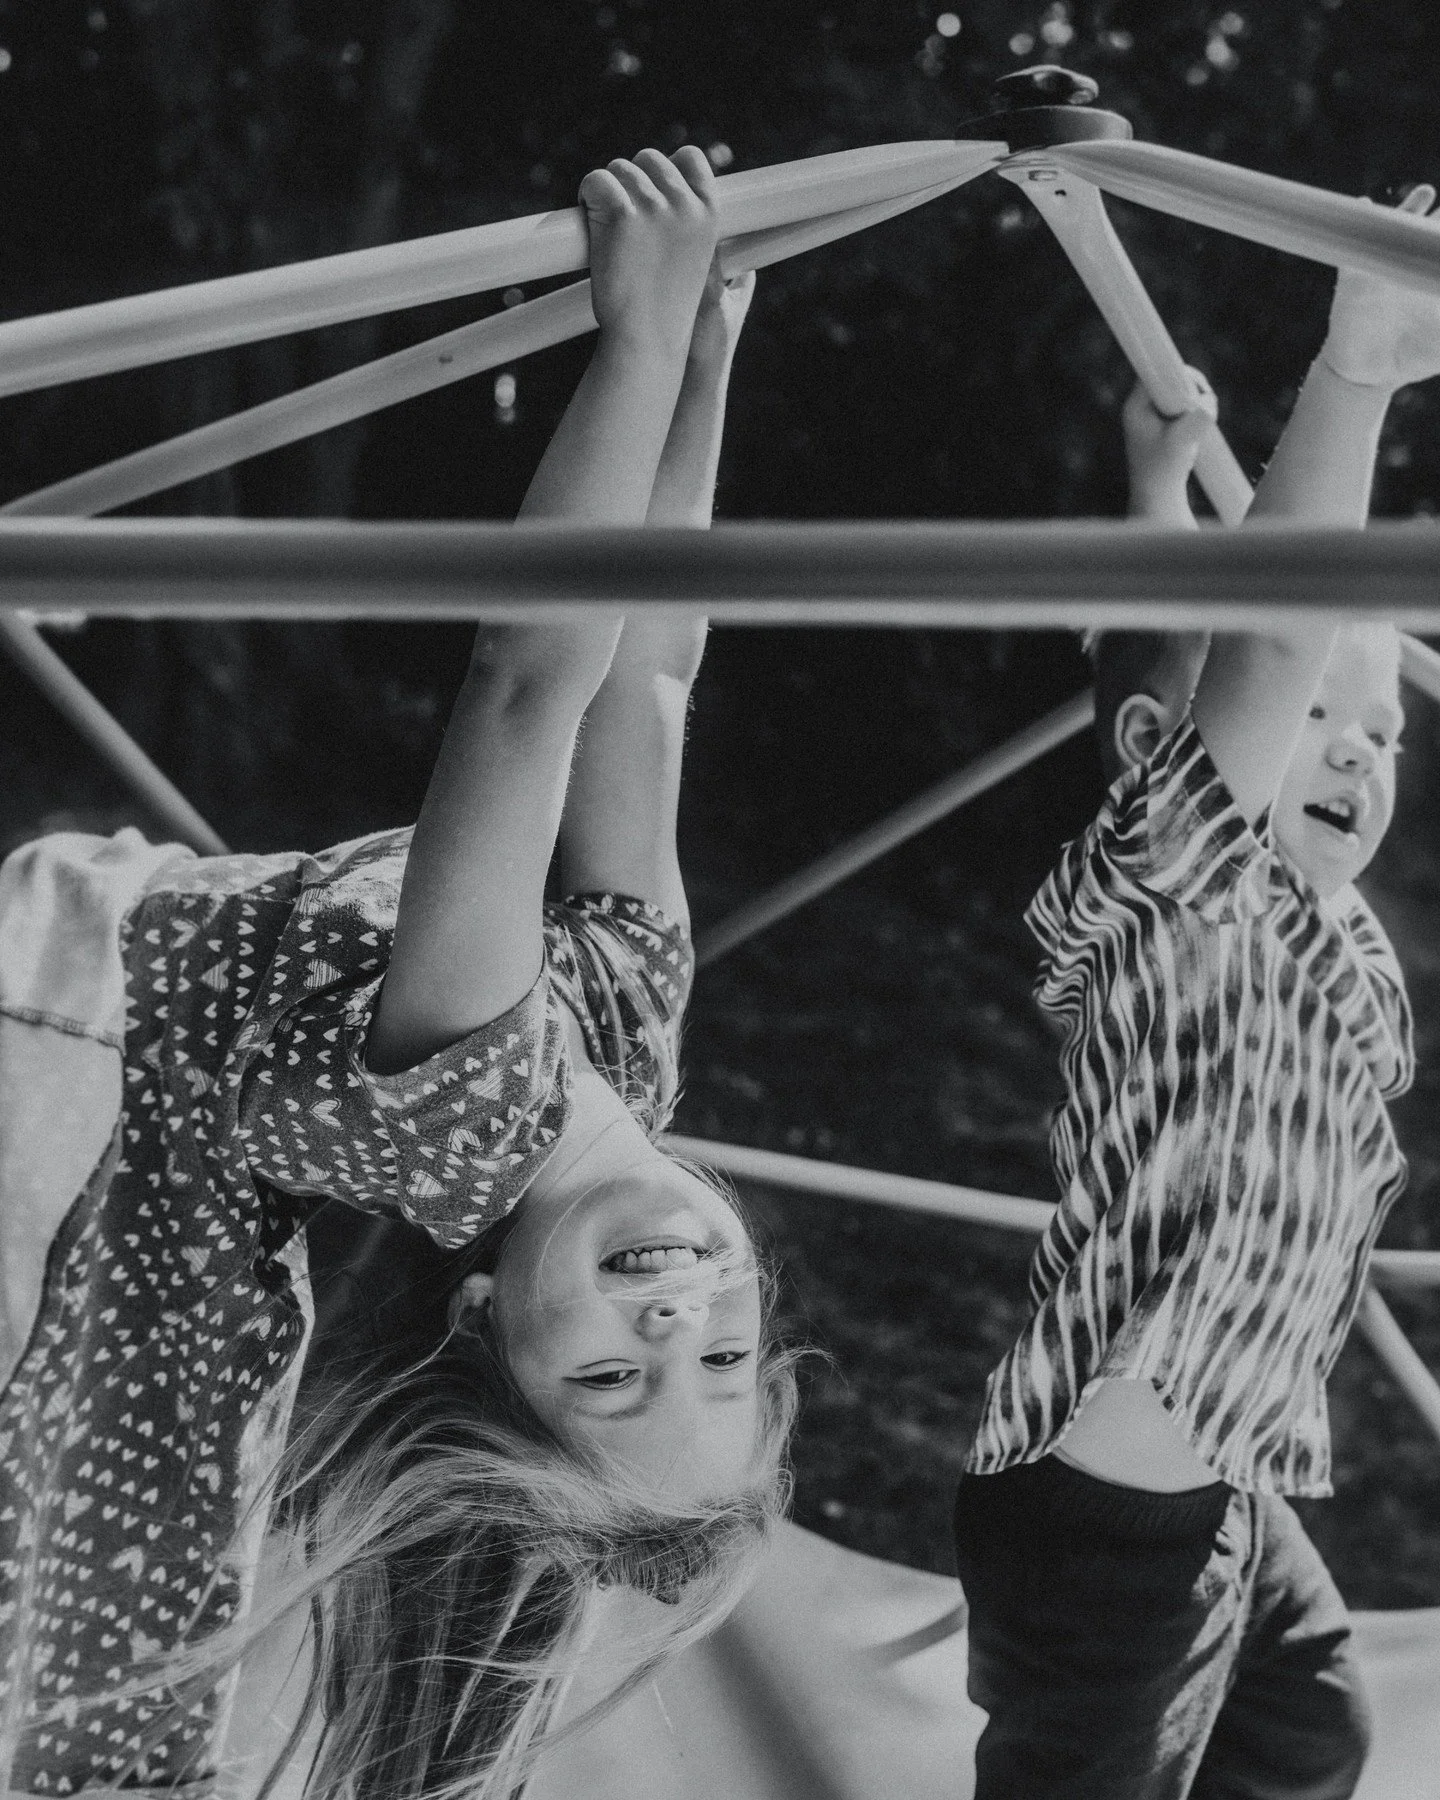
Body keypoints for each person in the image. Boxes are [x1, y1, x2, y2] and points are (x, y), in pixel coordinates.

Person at [0, 147, 796, 1800]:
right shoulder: (631, 1042)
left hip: (54, 1007)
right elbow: (648, 678)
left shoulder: (467, 1122)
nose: (674, 1318)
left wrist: (638, 343)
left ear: (485, 1321)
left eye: (608, 1375)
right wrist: (707, 365)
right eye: (719, 1360)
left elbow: (527, 685)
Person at [953, 184, 1440, 1799]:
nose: (1359, 752)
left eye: (1387, 734)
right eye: (1324, 720)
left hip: (1227, 1481)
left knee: (1309, 1735)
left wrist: (1161, 488)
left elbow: (1146, 670)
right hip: (1112, 1512)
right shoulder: (1176, 893)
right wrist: (1355, 375)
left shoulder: (1337, 940)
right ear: (1175, 764)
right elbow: (1240, 667)